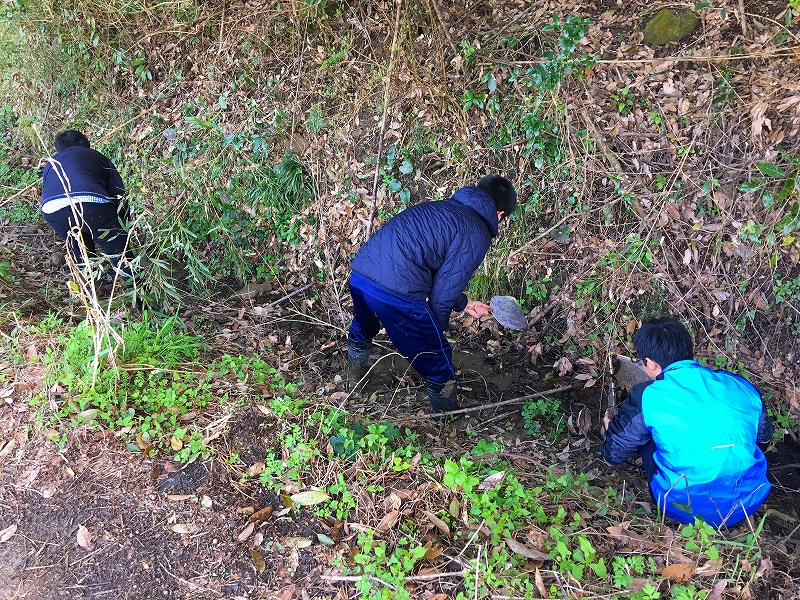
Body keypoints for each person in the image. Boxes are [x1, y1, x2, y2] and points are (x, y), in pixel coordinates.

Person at [346, 175, 517, 414]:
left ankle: (352, 385)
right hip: (396, 292)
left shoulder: (442, 209)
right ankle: (446, 425)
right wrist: (437, 332)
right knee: (437, 358)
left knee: (363, 328)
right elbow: (441, 295)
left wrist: (465, 304)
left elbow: (442, 277)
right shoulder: (476, 232)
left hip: (361, 276)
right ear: (500, 214)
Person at [600, 317, 773, 527]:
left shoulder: (648, 396)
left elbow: (612, 456)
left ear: (651, 363)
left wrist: (611, 432)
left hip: (683, 508)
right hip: (747, 502)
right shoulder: (740, 385)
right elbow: (763, 438)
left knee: (648, 433)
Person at [41, 129, 134, 286]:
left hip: (53, 209)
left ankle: (91, 291)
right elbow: (118, 193)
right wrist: (124, 227)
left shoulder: (50, 164)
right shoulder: (95, 156)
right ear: (83, 142)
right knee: (121, 254)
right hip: (91, 203)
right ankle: (142, 302)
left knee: (80, 248)